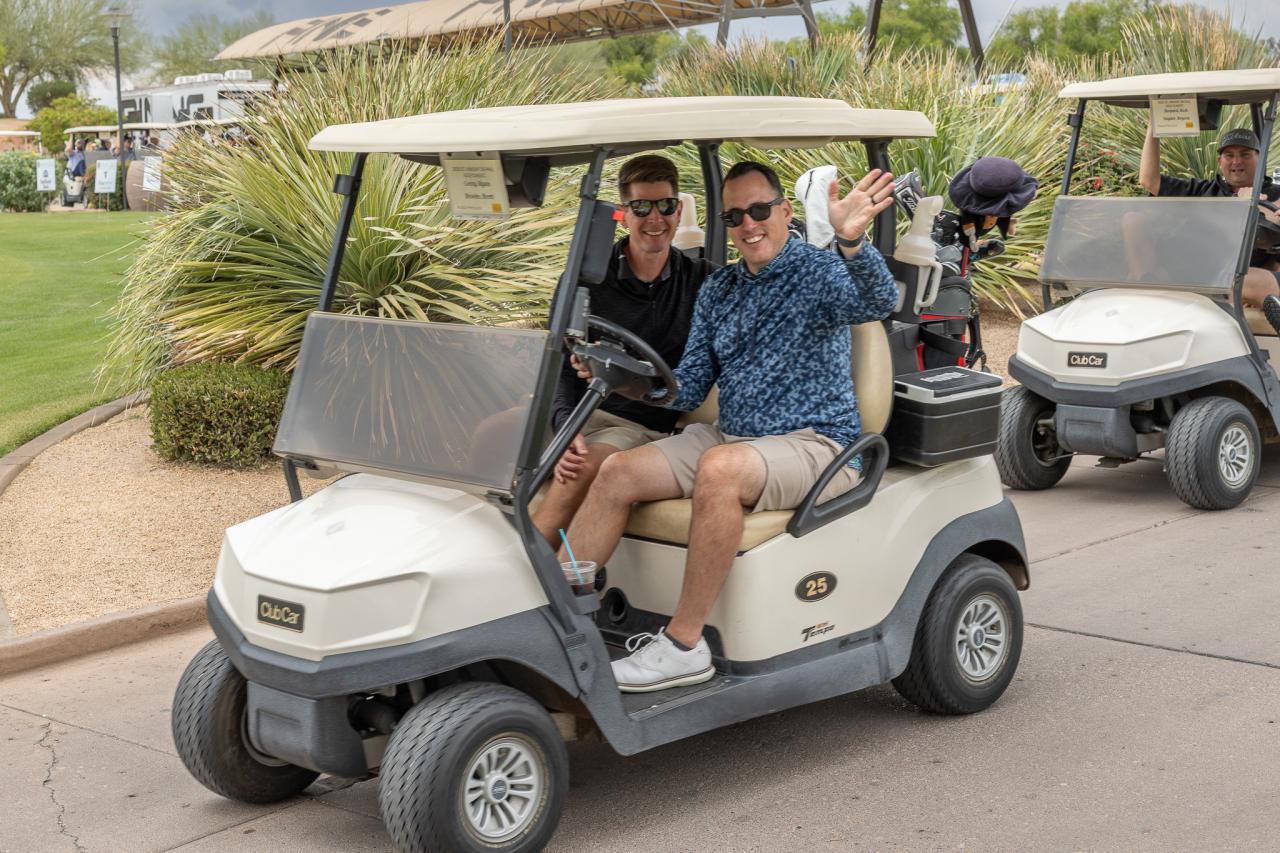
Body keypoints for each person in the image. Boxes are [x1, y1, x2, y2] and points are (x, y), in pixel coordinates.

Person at [564, 160, 899, 692]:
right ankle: (560, 624)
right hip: (735, 435)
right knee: (618, 471)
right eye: (735, 216)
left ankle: (684, 645)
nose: (749, 224)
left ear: (784, 212)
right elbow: (689, 387)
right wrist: (621, 377)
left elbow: (878, 301)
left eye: (760, 210)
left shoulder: (819, 271)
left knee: (720, 469)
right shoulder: (720, 289)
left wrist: (852, 241)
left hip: (817, 443)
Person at [531, 154, 713, 545]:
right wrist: (563, 425)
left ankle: (517, 576)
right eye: (641, 207)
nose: (655, 218)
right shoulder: (587, 279)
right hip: (577, 410)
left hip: (636, 422)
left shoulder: (702, 280)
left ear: (679, 211)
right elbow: (558, 364)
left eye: (665, 205)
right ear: (623, 213)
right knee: (489, 437)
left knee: (577, 468)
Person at [1138, 123, 1280, 321]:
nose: (1237, 161)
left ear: (1260, 158)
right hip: (1199, 278)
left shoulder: (1275, 196)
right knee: (1134, 222)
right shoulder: (1204, 191)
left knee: (1243, 281)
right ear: (1220, 161)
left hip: (1241, 280)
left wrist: (1253, 207)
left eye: (1245, 154)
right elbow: (1149, 181)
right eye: (1229, 155)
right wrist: (1153, 127)